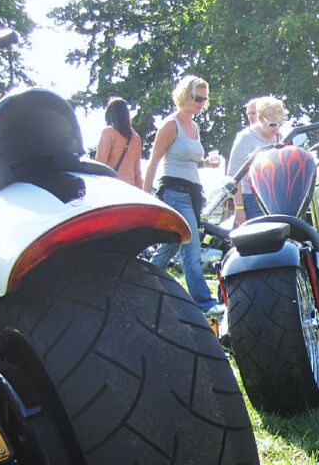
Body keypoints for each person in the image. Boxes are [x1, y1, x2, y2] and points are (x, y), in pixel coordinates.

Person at [143, 75, 223, 315]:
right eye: (197, 98)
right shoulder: (171, 124)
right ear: (185, 95)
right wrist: (145, 197)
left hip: (191, 192)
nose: (201, 103)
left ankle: (141, 280)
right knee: (191, 246)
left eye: (205, 99)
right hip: (173, 192)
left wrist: (206, 164)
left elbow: (188, 160)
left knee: (169, 245)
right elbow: (154, 161)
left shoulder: (195, 127)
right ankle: (204, 303)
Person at [227, 96, 288, 225]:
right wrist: (239, 208)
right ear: (260, 118)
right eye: (272, 124)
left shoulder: (280, 138)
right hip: (252, 198)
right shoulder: (246, 138)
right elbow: (233, 176)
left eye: (280, 124)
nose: (276, 129)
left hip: (275, 199)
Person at [94, 97, 143, 188]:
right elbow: (137, 171)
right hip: (130, 188)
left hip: (111, 185)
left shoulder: (108, 132)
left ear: (109, 114)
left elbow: (100, 163)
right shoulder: (136, 138)